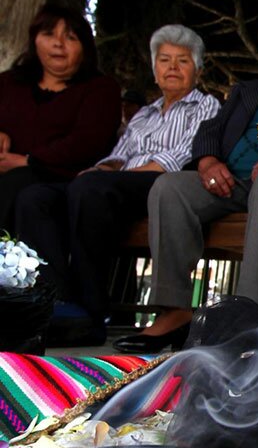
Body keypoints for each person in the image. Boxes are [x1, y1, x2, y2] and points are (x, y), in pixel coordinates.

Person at [113, 14, 258, 354]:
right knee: (169, 188)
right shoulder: (246, 91)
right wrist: (208, 161)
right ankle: (174, 311)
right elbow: (210, 129)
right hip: (229, 182)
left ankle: (252, 317)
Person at [15, 24, 220, 344]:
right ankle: (57, 302)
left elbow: (179, 158)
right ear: (154, 70)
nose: (172, 68)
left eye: (183, 61)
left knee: (90, 189)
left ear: (198, 70)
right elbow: (118, 156)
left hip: (160, 185)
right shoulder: (144, 115)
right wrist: (100, 169)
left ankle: (92, 312)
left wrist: (105, 177)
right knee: (35, 197)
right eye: (165, 60)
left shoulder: (206, 106)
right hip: (113, 185)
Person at [0, 4, 122, 231]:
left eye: (70, 37)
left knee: (15, 186)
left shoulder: (100, 90)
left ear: (84, 47)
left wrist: (29, 162)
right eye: (48, 34)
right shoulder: (8, 83)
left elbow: (88, 142)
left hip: (61, 181)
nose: (58, 43)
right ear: (34, 40)